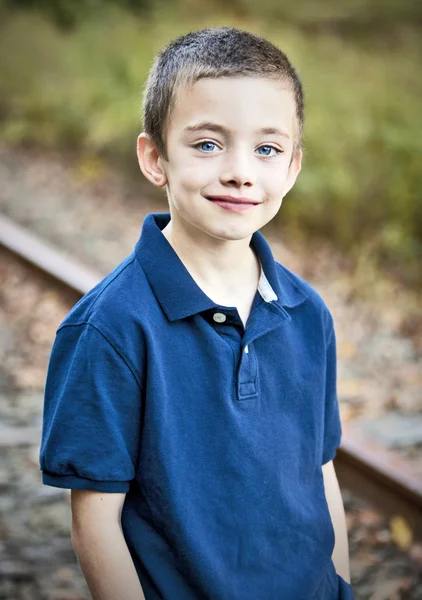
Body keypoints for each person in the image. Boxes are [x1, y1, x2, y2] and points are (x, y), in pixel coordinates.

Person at [39, 26, 354, 600]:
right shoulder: (111, 328)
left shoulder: (308, 314)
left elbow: (321, 471)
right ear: (154, 158)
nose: (240, 171)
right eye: (208, 144)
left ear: (292, 167)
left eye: (267, 148)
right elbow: (95, 522)